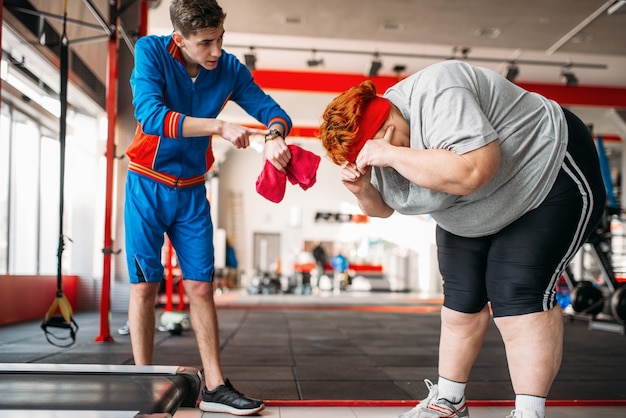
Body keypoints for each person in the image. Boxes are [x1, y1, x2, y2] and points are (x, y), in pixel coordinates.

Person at [317, 60, 606, 418]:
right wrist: (362, 189)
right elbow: (382, 208)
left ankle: (529, 413)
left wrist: (389, 154)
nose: (376, 167)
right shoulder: (378, 151)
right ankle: (449, 402)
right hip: (469, 208)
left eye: (374, 156)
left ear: (387, 128)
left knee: (516, 292)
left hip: (545, 174)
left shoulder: (441, 92)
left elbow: (472, 171)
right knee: (460, 300)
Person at [124, 0, 292, 415]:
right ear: (179, 40)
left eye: (220, 39)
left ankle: (214, 386)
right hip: (147, 183)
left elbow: (272, 109)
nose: (216, 51)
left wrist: (274, 134)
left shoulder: (229, 68)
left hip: (193, 191)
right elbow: (150, 115)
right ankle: (144, 384)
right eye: (205, 43)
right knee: (146, 286)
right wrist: (218, 125)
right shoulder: (150, 52)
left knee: (201, 287)